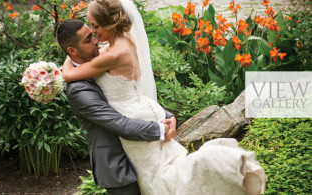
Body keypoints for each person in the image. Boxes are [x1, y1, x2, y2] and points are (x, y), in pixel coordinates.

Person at [61, 0, 266, 195]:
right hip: (141, 113)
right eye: (90, 34)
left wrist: (65, 61)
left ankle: (218, 163)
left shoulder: (110, 54)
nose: (95, 36)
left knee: (162, 181)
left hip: (136, 119)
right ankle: (218, 168)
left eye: (94, 27)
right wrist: (165, 123)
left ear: (110, 23)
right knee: (170, 171)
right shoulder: (119, 46)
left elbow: (69, 74)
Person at [55, 19, 177, 195]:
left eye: (93, 34)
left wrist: (169, 116)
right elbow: (119, 123)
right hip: (120, 165)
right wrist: (160, 128)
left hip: (144, 153)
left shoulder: (104, 60)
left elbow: (129, 97)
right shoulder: (78, 90)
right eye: (88, 39)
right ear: (72, 51)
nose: (96, 40)